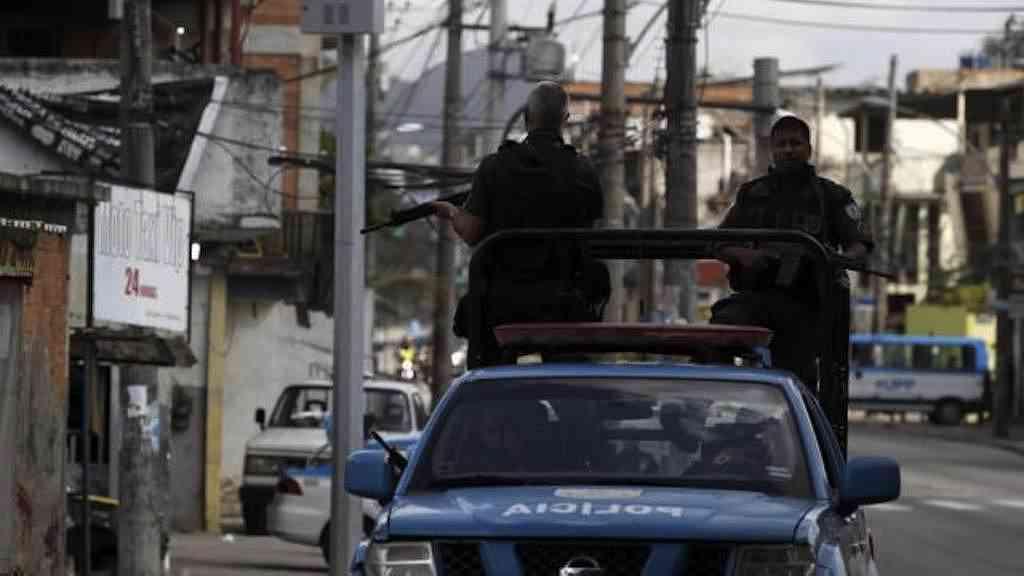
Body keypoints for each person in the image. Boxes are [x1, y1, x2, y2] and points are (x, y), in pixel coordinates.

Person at [431, 81, 606, 344]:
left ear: (526, 117)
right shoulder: (584, 171)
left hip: (501, 308)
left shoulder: (494, 168)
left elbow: (473, 232)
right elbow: (592, 233)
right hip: (566, 307)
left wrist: (453, 213)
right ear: (565, 120)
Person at [711, 114, 872, 387]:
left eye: (795, 143)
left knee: (798, 383)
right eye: (781, 144)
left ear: (809, 149)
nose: (788, 150)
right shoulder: (752, 194)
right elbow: (719, 242)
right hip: (755, 299)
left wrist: (835, 259)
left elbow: (860, 244)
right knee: (714, 340)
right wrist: (746, 256)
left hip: (805, 306)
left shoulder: (831, 196)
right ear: (772, 150)